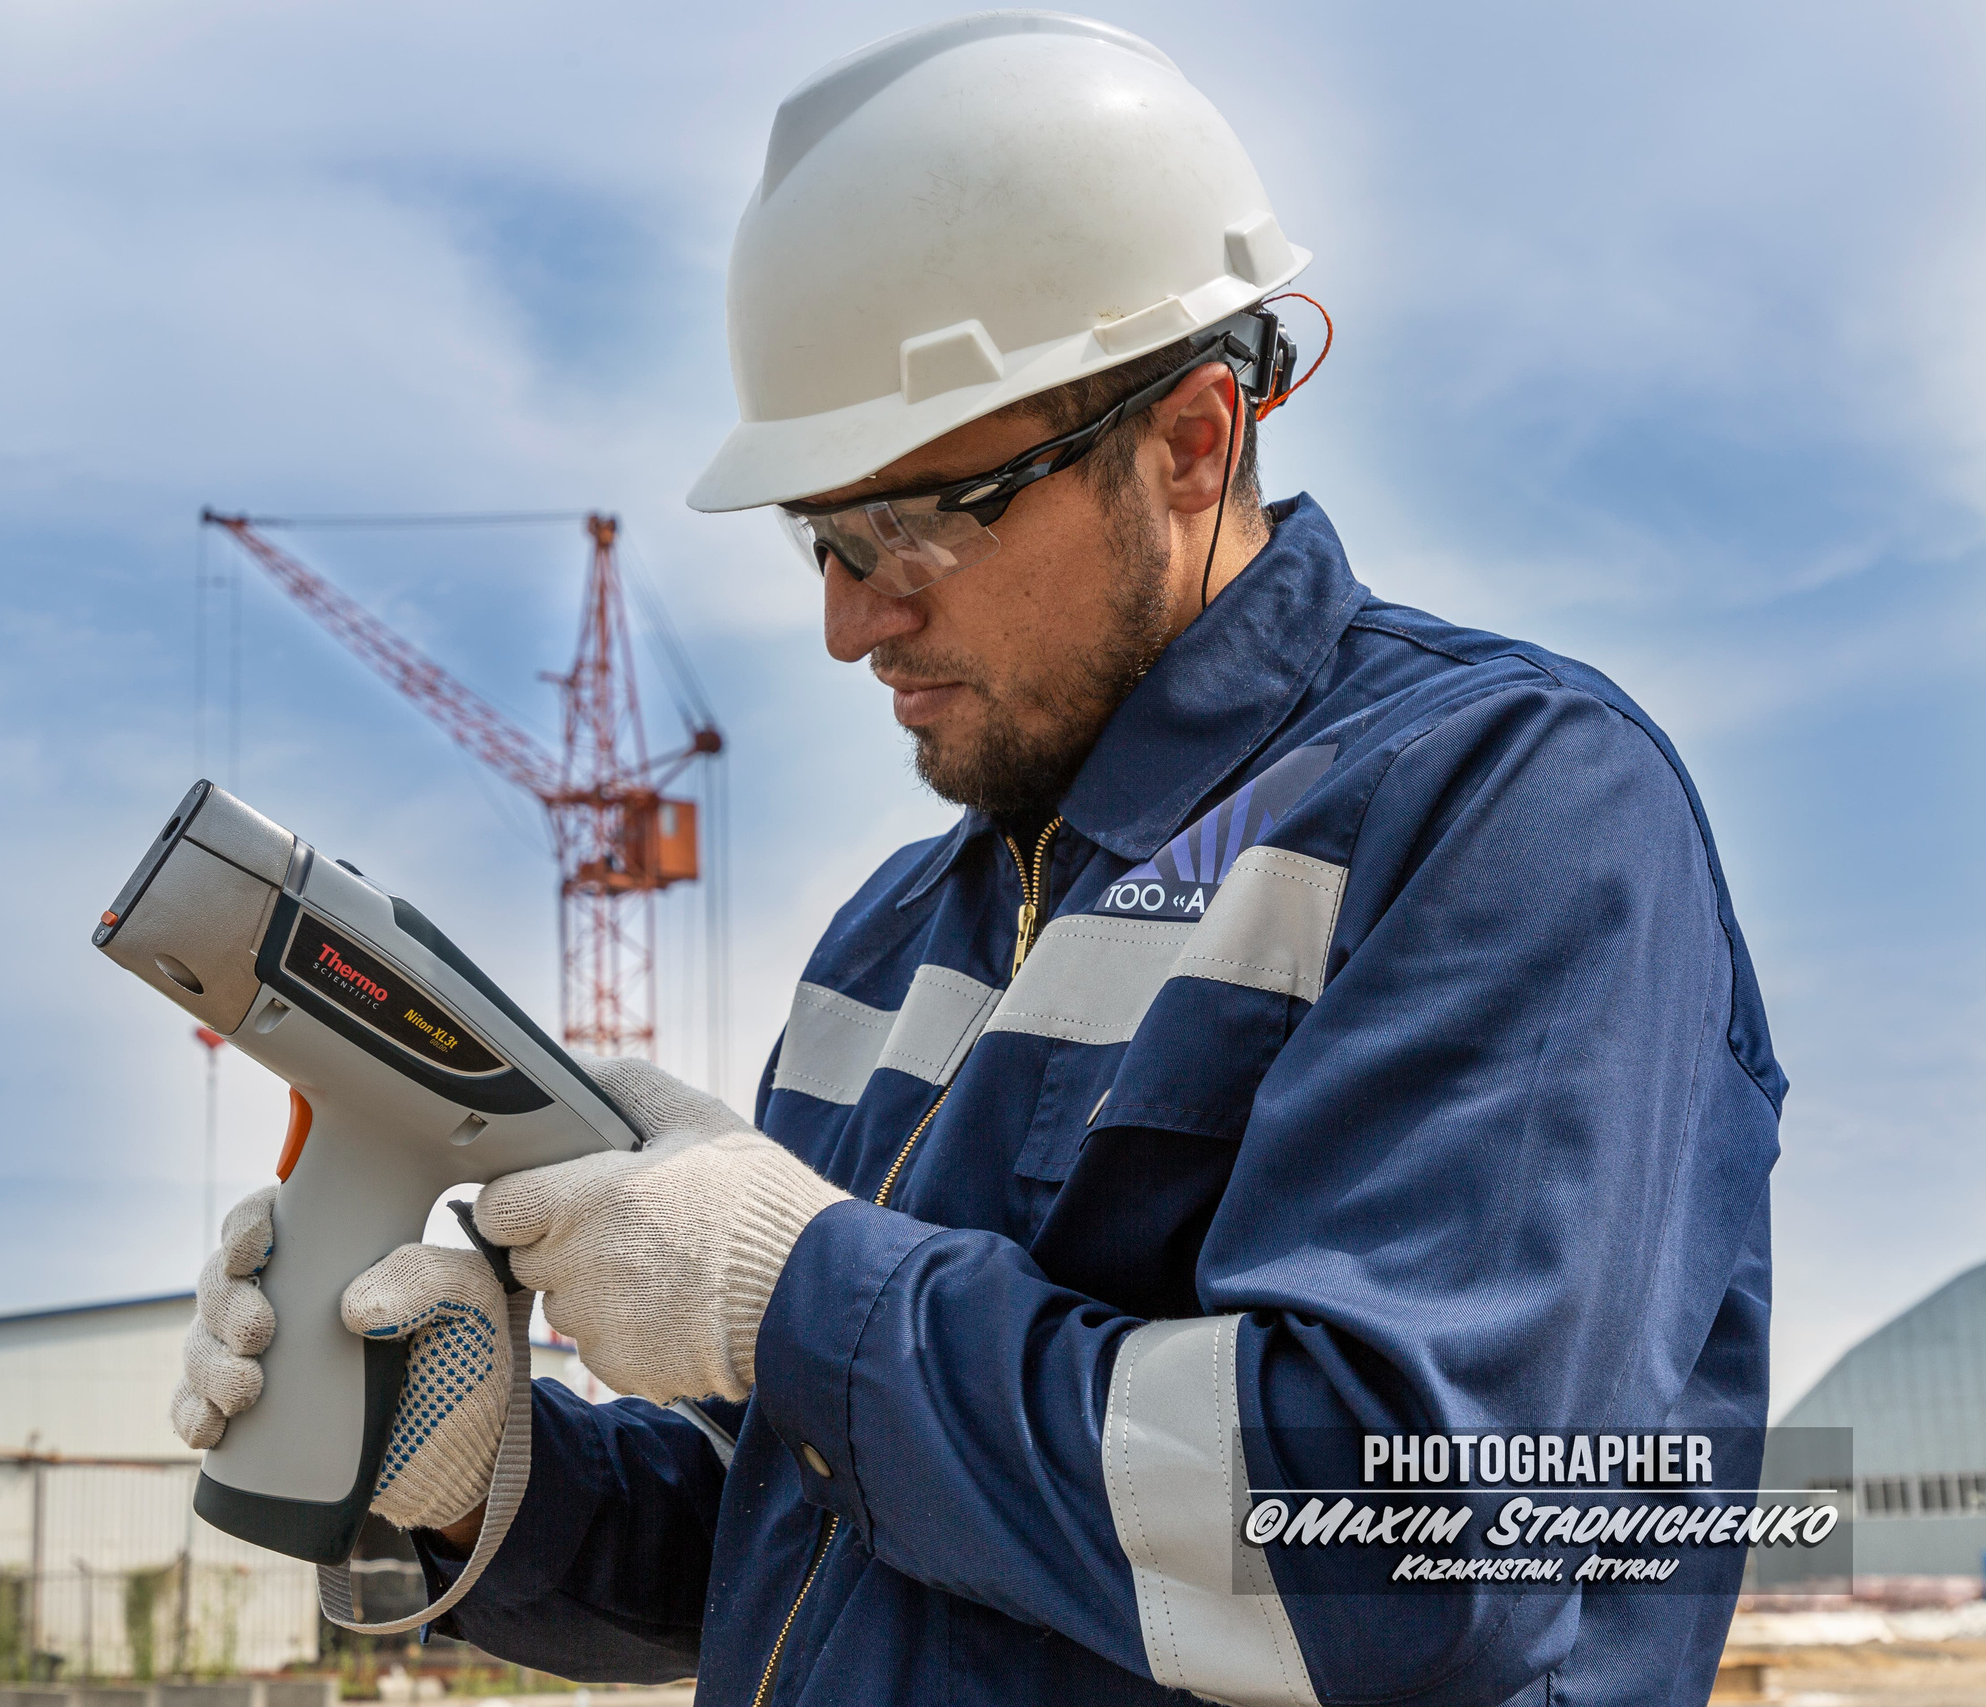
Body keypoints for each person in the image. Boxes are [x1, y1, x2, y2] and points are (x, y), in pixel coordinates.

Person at [171, 15, 1784, 1705]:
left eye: (909, 527)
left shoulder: (1499, 805)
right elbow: (814, 1536)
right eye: (821, 538)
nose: (847, 619)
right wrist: (483, 1468)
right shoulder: (894, 936)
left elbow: (1410, 1552)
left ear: (1192, 441)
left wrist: (797, 1290)